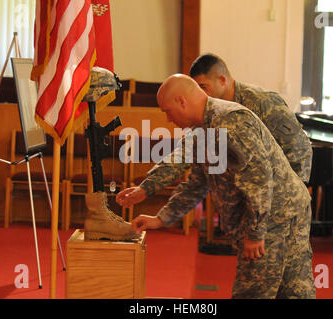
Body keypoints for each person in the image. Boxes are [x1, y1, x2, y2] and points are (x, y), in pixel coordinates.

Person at [123, 74, 315, 298]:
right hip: (282, 212)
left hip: (274, 216)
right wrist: (159, 215)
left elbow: (259, 180)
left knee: (254, 291)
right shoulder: (203, 127)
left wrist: (254, 233)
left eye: (167, 111)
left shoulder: (229, 122)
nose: (168, 119)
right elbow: (196, 182)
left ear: (182, 101)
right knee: (293, 291)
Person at [116, 53, 312, 207]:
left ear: (223, 80)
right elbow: (184, 154)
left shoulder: (262, 102)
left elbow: (297, 147)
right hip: (251, 199)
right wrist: (146, 188)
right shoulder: (209, 114)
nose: (199, 93)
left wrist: (291, 194)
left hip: (280, 196)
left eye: (204, 86)